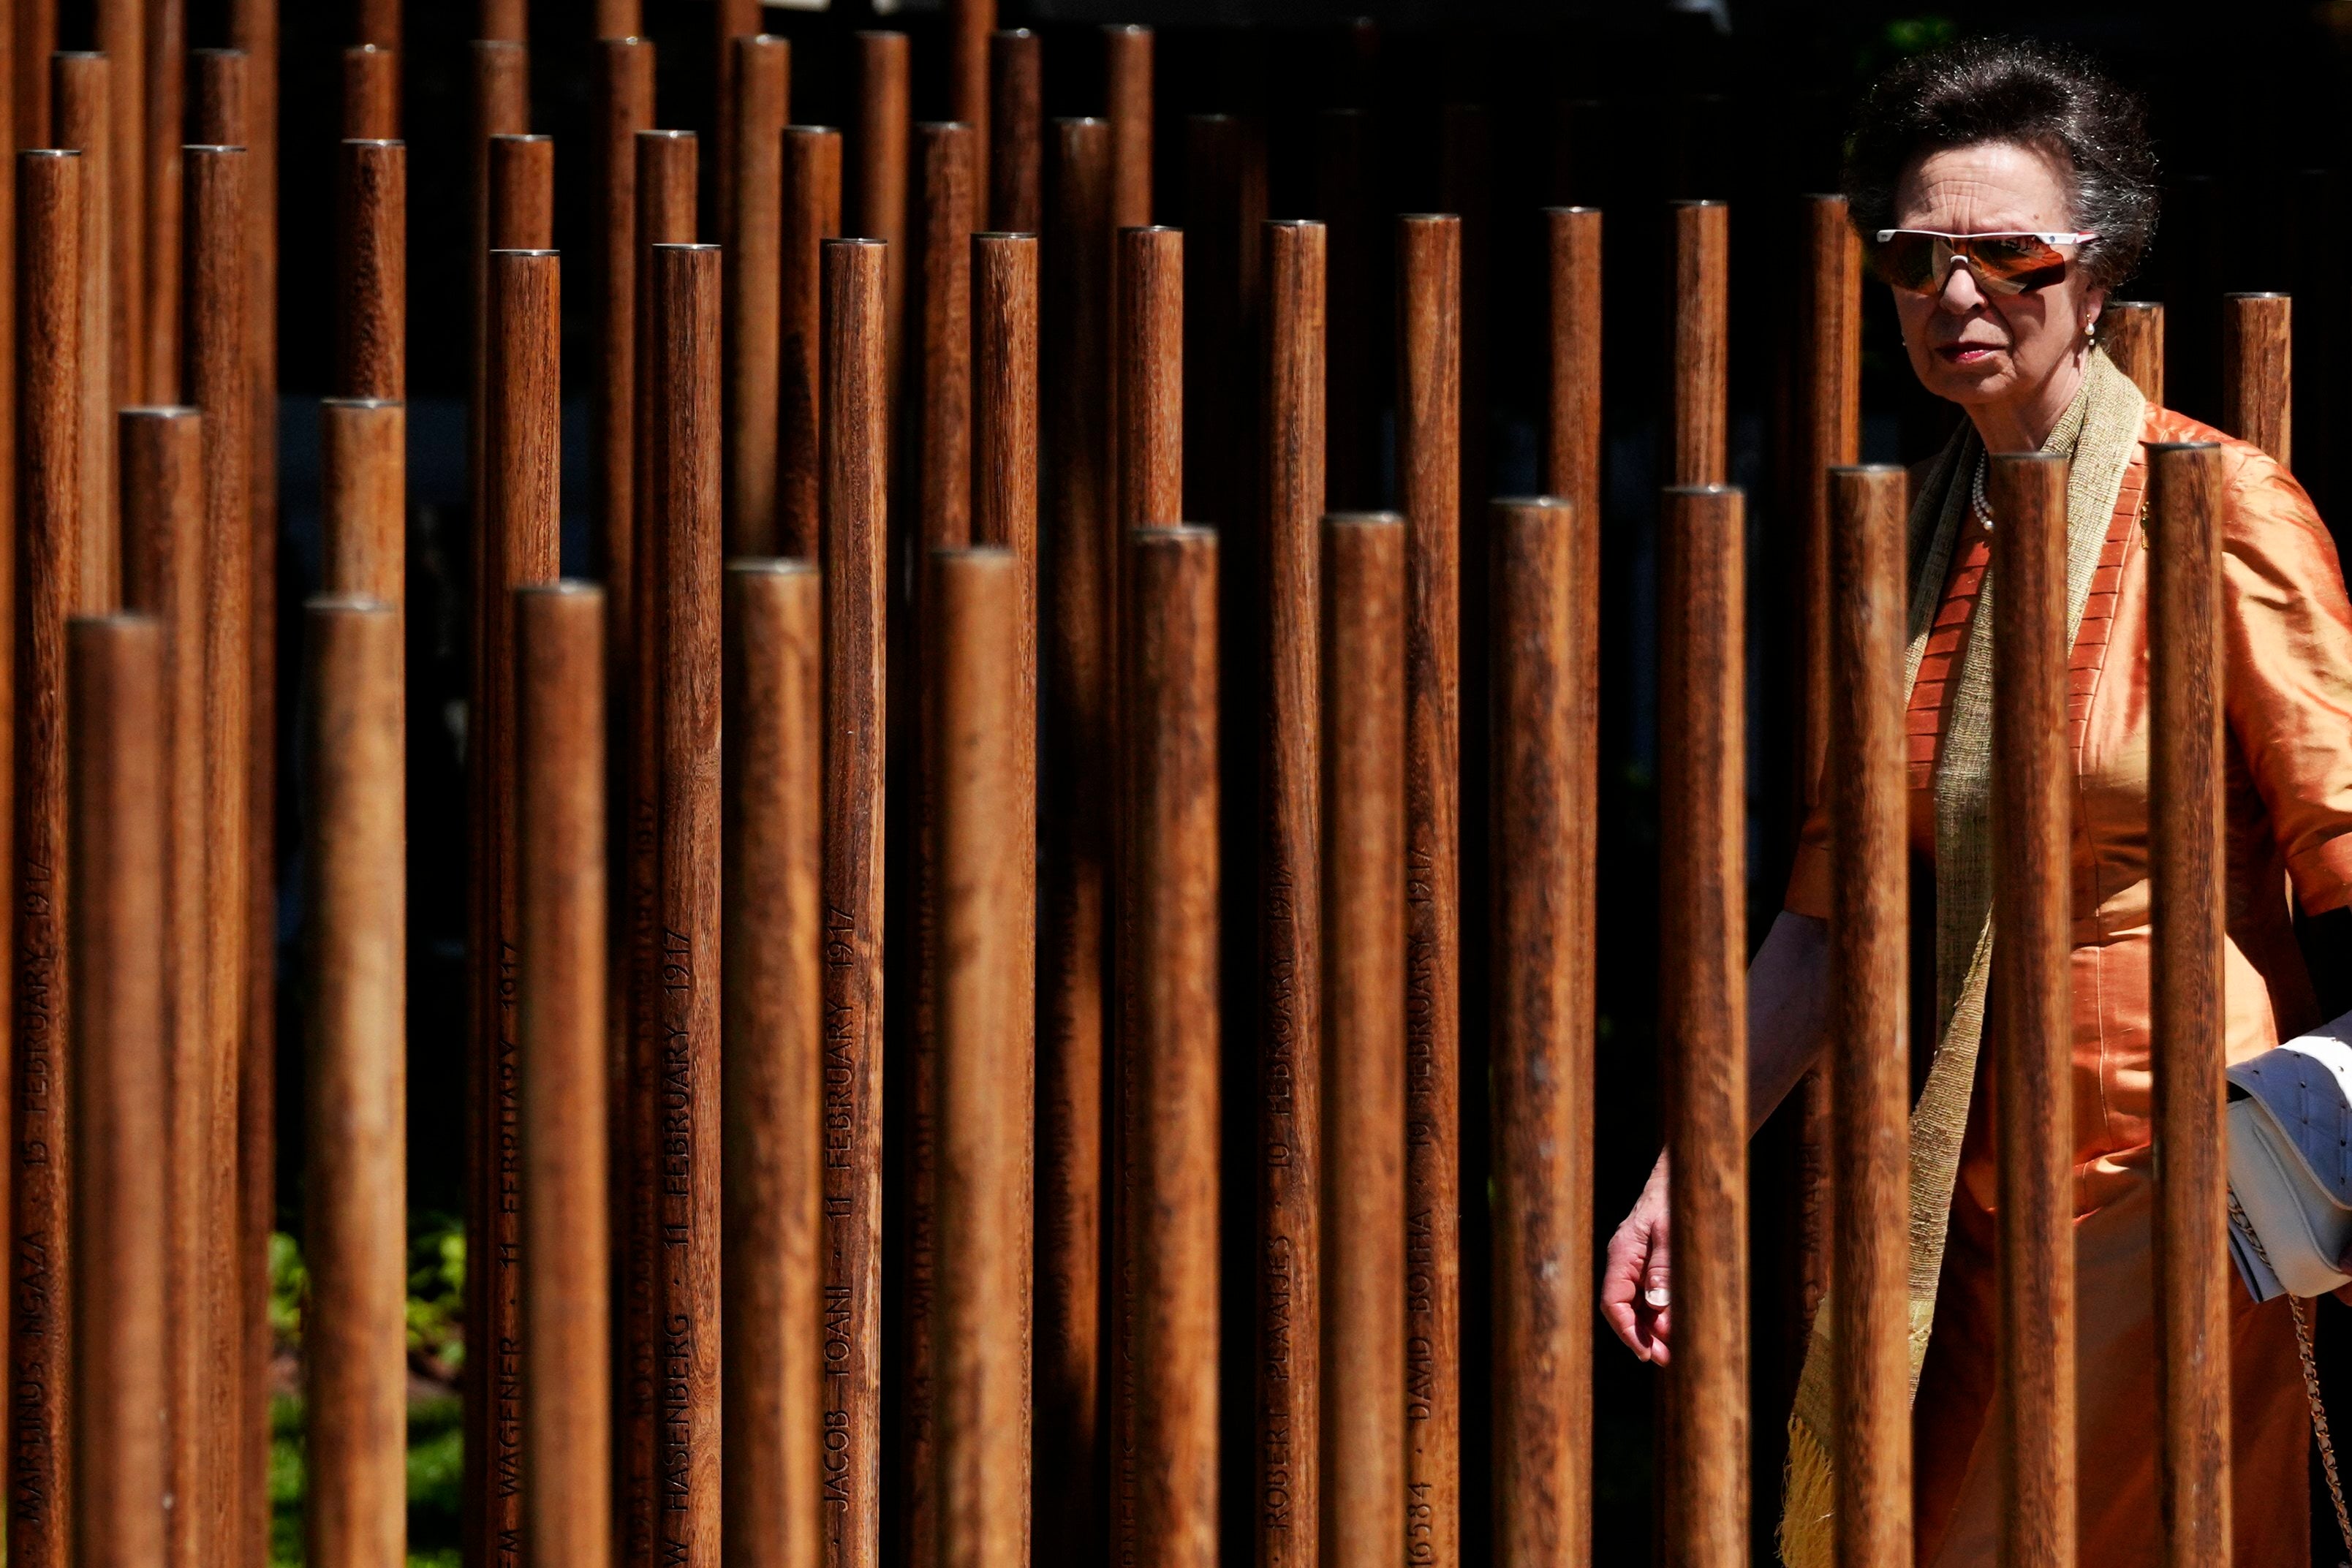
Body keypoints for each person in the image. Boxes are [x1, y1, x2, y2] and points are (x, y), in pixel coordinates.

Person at [1600, 35, 2352, 1567]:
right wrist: (1690, 1164)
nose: (1958, 296)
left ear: (2100, 269)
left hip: (2174, 1194)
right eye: (1913, 255)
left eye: (2008, 253)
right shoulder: (1924, 529)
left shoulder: (2218, 503)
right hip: (1957, 1203)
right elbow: (1831, 913)